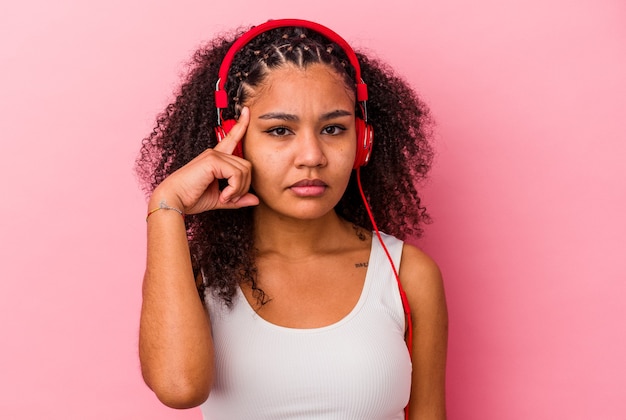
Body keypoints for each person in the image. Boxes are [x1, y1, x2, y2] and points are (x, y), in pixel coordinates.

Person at [135, 19, 448, 420]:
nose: (312, 156)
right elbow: (179, 389)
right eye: (281, 130)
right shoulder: (194, 273)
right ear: (229, 139)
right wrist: (166, 205)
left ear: (363, 141)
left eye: (333, 128)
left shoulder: (407, 274)